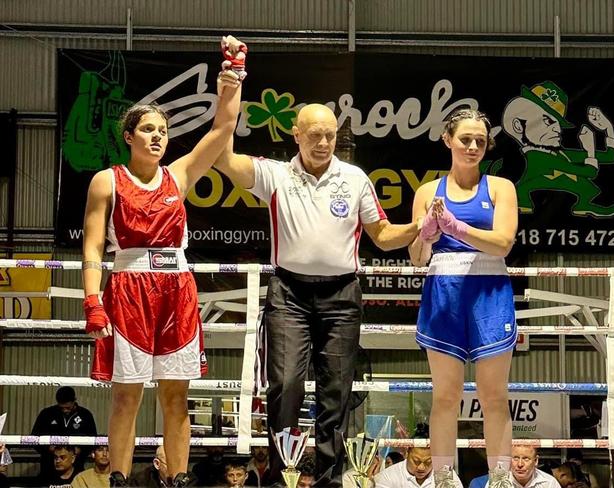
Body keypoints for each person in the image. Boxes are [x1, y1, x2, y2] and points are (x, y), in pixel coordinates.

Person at [214, 102, 419, 487]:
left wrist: (421, 226)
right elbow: (222, 156)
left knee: (336, 392)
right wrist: (230, 90)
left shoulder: (355, 178)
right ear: (296, 134)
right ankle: (281, 477)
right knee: (286, 385)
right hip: (288, 293)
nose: (324, 143)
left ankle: (330, 480)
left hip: (342, 296)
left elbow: (383, 235)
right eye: (314, 135)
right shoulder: (273, 175)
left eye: (330, 135)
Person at [81, 36, 246, 488]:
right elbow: (94, 247)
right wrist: (92, 300)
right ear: (130, 136)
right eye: (149, 130)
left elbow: (220, 131)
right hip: (129, 289)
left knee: (177, 398)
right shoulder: (106, 181)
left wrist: (231, 72)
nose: (158, 137)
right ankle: (118, 479)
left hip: (177, 288)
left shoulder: (180, 175)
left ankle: (177, 481)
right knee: (126, 398)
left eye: (164, 131)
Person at [409, 108, 518, 487]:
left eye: (480, 141)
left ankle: (501, 478)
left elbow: (503, 244)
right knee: (445, 395)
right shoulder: (427, 192)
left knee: (493, 395)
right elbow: (418, 258)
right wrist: (426, 233)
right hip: (444, 290)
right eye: (466, 139)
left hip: (489, 291)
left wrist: (457, 226)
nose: (473, 147)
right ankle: (442, 478)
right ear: (448, 140)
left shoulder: (501, 187)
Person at [31, 387, 97, 477]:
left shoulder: (85, 415)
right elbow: (34, 438)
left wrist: (81, 449)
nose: (65, 410)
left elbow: (93, 439)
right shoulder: (47, 414)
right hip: (49, 466)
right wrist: (48, 448)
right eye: (62, 408)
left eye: (68, 407)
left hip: (77, 465)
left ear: (74, 401)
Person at [469, 446, 561, 488]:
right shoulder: (498, 482)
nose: (520, 464)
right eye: (516, 458)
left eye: (526, 458)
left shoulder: (549, 483)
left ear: (536, 461)